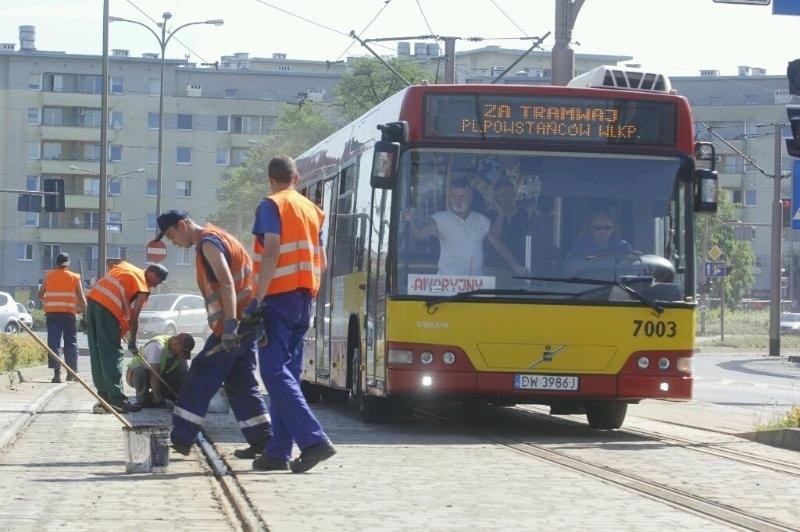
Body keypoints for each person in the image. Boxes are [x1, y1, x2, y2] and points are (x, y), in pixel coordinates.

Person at [153, 209, 272, 457]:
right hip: (245, 321)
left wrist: (229, 324)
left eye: (172, 235)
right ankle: (263, 439)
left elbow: (227, 282)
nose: (174, 243)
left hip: (233, 326)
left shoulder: (208, 243)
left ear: (183, 224)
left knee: (200, 373)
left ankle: (181, 437)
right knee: (240, 381)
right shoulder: (217, 237)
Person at [247, 155, 336, 473]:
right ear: (296, 179)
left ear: (271, 179)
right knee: (288, 376)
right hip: (304, 298)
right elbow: (321, 261)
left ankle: (314, 441)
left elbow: (271, 250)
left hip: (277, 298)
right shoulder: (313, 210)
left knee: (273, 373)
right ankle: (278, 451)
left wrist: (257, 298)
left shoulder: (271, 205)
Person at [86, 260, 168, 413]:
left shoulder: (127, 267)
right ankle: (117, 399)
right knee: (112, 353)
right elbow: (135, 317)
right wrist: (133, 342)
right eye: (158, 281)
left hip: (92, 303)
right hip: (107, 309)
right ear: (151, 274)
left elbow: (113, 270)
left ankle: (104, 397)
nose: (156, 285)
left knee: (98, 353)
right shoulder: (143, 285)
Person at [404, 178, 527, 276]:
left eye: (462, 196)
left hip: (475, 286)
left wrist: (514, 265)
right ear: (450, 198)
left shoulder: (481, 220)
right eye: (455, 196)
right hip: (447, 284)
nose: (458, 200)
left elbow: (498, 244)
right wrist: (411, 221)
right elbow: (418, 236)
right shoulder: (440, 219)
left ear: (470, 197)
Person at [38, 253, 87, 383]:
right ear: (68, 264)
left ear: (56, 263)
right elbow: (82, 299)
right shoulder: (75, 277)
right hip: (68, 314)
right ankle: (71, 373)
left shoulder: (48, 276)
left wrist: (47, 302)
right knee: (70, 342)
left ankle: (56, 374)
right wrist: (85, 314)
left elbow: (40, 295)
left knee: (53, 342)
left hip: (52, 314)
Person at [125, 333, 194, 408]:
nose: (181, 354)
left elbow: (186, 374)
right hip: (136, 375)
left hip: (160, 375)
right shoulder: (156, 346)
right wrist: (159, 400)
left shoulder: (180, 352)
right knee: (140, 370)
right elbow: (154, 375)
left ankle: (161, 397)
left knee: (183, 373)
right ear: (175, 343)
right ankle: (144, 400)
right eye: (181, 351)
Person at [485, 178, 529, 271]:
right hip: (496, 266)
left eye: (509, 194)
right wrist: (500, 213)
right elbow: (493, 239)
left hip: (519, 265)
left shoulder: (522, 214)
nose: (506, 198)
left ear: (514, 195)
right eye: (502, 195)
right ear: (496, 197)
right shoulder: (489, 215)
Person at [569, 210, 634, 257]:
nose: (602, 230)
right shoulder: (580, 246)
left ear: (613, 229)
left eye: (607, 227)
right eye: (597, 227)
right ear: (589, 229)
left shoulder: (622, 245)